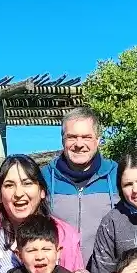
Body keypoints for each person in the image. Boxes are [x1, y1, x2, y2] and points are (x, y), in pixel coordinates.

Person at [0, 154, 92, 273]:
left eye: (27, 183)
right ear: (0, 195)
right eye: (9, 185)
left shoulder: (63, 234)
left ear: (42, 191)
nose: (18, 193)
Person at [42, 107, 120, 254]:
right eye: (72, 137)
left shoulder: (118, 175)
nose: (79, 144)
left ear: (97, 140)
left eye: (86, 137)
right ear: (62, 140)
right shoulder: (44, 177)